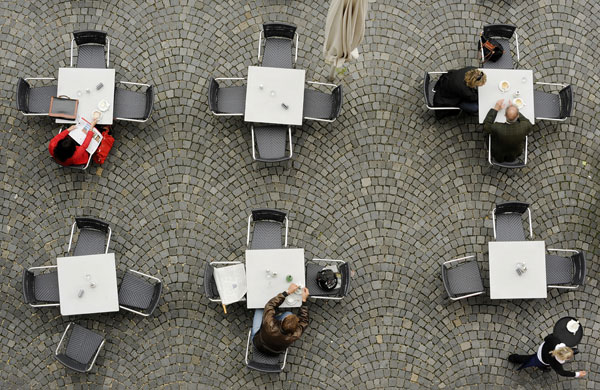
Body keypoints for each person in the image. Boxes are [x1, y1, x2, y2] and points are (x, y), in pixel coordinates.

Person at [251, 283, 309, 355]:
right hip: (275, 352)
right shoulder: (295, 334)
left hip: (258, 343)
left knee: (260, 309)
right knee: (289, 313)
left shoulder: (270, 324)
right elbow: (304, 321)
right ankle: (274, 316)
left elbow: (270, 305)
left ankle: (273, 316)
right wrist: (304, 300)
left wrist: (287, 292)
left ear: (282, 322)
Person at [508, 333, 587, 378]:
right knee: (528, 360)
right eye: (568, 357)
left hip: (543, 349)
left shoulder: (555, 340)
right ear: (563, 359)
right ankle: (514, 358)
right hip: (540, 359)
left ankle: (513, 358)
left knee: (531, 359)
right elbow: (562, 373)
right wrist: (577, 374)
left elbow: (546, 338)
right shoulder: (556, 364)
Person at [484, 98, 533, 163]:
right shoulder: (525, 126)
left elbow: (486, 126)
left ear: (505, 115)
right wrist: (514, 111)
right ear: (518, 116)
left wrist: (496, 109)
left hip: (498, 153)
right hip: (515, 153)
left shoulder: (497, 127)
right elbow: (526, 121)